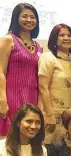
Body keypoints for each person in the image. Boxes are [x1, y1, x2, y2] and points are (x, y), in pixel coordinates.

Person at [0, 3, 42, 137]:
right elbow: (0, 71)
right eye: (24, 16)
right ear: (16, 19)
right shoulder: (8, 40)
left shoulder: (39, 46)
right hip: (11, 96)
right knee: (10, 137)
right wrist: (2, 99)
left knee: (29, 137)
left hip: (32, 97)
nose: (29, 20)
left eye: (32, 17)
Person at [38, 24, 71, 144]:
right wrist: (49, 115)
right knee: (49, 151)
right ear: (54, 38)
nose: (66, 38)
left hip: (69, 117)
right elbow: (43, 87)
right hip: (52, 114)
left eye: (69, 35)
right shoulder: (48, 57)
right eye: (62, 35)